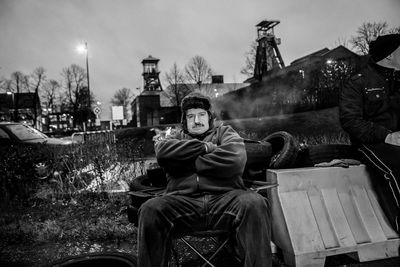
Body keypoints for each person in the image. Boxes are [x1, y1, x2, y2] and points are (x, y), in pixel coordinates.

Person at [137, 92, 272, 266]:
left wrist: (187, 161)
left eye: (201, 114)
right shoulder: (176, 137)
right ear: (184, 120)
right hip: (183, 203)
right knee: (150, 209)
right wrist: (206, 147)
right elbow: (163, 153)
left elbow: (235, 159)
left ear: (209, 117)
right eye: (191, 116)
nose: (196, 120)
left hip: (225, 200)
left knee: (254, 202)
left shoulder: (225, 132)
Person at [339, 34, 400, 233]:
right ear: (389, 55)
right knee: (395, 169)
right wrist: (386, 136)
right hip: (372, 142)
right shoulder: (358, 82)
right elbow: (350, 120)